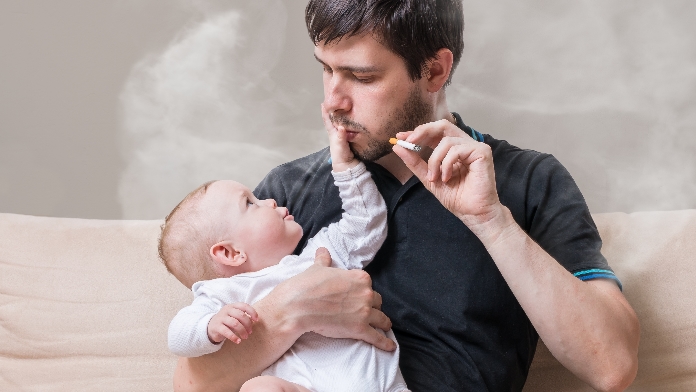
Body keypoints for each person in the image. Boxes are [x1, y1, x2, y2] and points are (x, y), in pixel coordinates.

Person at [173, 1, 640, 391]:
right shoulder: (287, 194)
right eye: (326, 70)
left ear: (434, 70)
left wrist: (491, 223)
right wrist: (290, 310)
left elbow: (612, 365)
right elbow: (190, 384)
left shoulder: (527, 180)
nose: (334, 100)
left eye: (362, 76)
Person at [160, 124, 409, 392]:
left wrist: (346, 168)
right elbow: (177, 335)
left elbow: (365, 222)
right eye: (250, 203)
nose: (268, 201)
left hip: (384, 385)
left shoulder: (319, 255)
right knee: (259, 389)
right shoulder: (224, 295)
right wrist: (210, 326)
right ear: (230, 253)